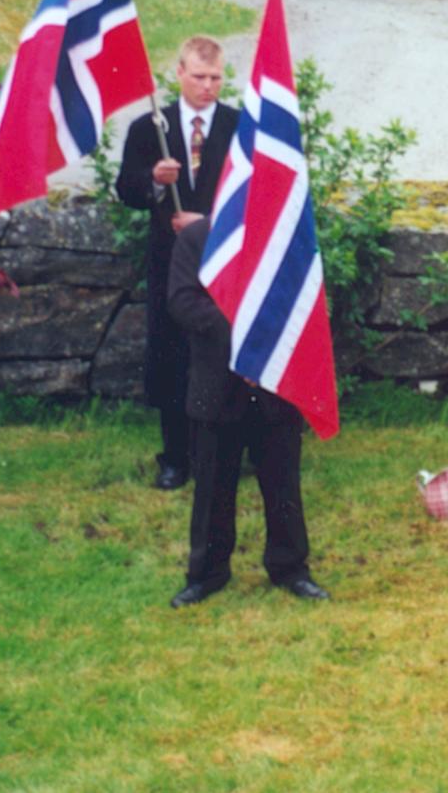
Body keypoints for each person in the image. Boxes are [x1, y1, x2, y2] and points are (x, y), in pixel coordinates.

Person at [164, 215, 330, 608]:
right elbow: (183, 302)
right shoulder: (196, 238)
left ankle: (290, 567)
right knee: (212, 486)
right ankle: (207, 573)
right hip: (217, 381)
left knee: (282, 483)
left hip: (274, 384)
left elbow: (301, 295)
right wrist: (245, 348)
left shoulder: (283, 233)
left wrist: (266, 353)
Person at [116, 36, 238, 491]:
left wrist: (207, 221)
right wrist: (153, 180)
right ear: (179, 75)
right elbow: (124, 189)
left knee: (220, 349)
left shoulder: (238, 126)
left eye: (216, 78)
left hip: (224, 259)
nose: (208, 86)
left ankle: (222, 449)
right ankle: (175, 457)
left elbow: (253, 197)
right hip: (171, 262)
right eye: (200, 77)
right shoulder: (152, 128)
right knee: (170, 351)